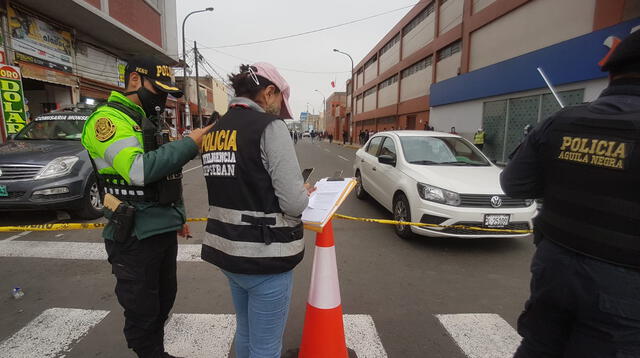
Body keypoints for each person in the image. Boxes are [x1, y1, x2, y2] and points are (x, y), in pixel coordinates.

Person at [501, 30, 640, 358]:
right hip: (624, 284)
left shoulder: (561, 121)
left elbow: (515, 184)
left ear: (611, 72)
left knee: (539, 345)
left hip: (555, 264)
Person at [81, 55, 210, 358]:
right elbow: (139, 171)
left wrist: (177, 216)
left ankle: (156, 351)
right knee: (143, 310)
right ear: (135, 81)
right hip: (133, 234)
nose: (163, 98)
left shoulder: (147, 120)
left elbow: (167, 175)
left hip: (160, 227)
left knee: (164, 301)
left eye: (168, 92)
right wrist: (191, 142)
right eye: (159, 89)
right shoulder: (108, 121)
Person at [200, 63, 314, 358]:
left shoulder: (216, 130)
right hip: (264, 256)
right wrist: (302, 193)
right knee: (265, 348)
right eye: (278, 101)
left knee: (246, 332)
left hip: (227, 251)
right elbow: (293, 203)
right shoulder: (270, 128)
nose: (279, 109)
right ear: (268, 92)